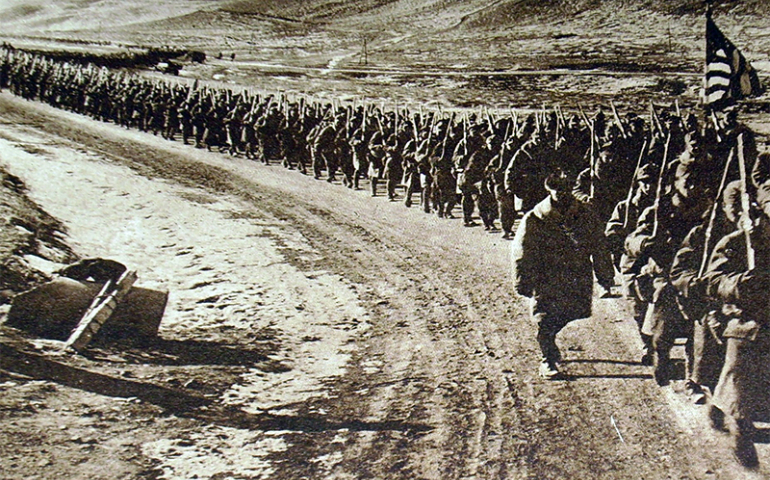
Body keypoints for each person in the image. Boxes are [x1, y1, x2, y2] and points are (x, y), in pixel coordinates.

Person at [511, 171, 615, 379]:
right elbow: (521, 250)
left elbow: (599, 246)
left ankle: (549, 343)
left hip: (576, 274)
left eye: (565, 189)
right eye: (556, 189)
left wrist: (605, 276)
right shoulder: (536, 217)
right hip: (546, 275)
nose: (561, 194)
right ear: (549, 190)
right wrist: (522, 280)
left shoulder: (586, 214)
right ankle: (547, 359)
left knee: (568, 313)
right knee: (544, 317)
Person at [703, 183, 770, 469]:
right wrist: (740, 283)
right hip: (744, 318)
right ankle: (741, 428)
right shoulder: (737, 242)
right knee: (740, 366)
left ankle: (720, 403)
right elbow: (712, 282)